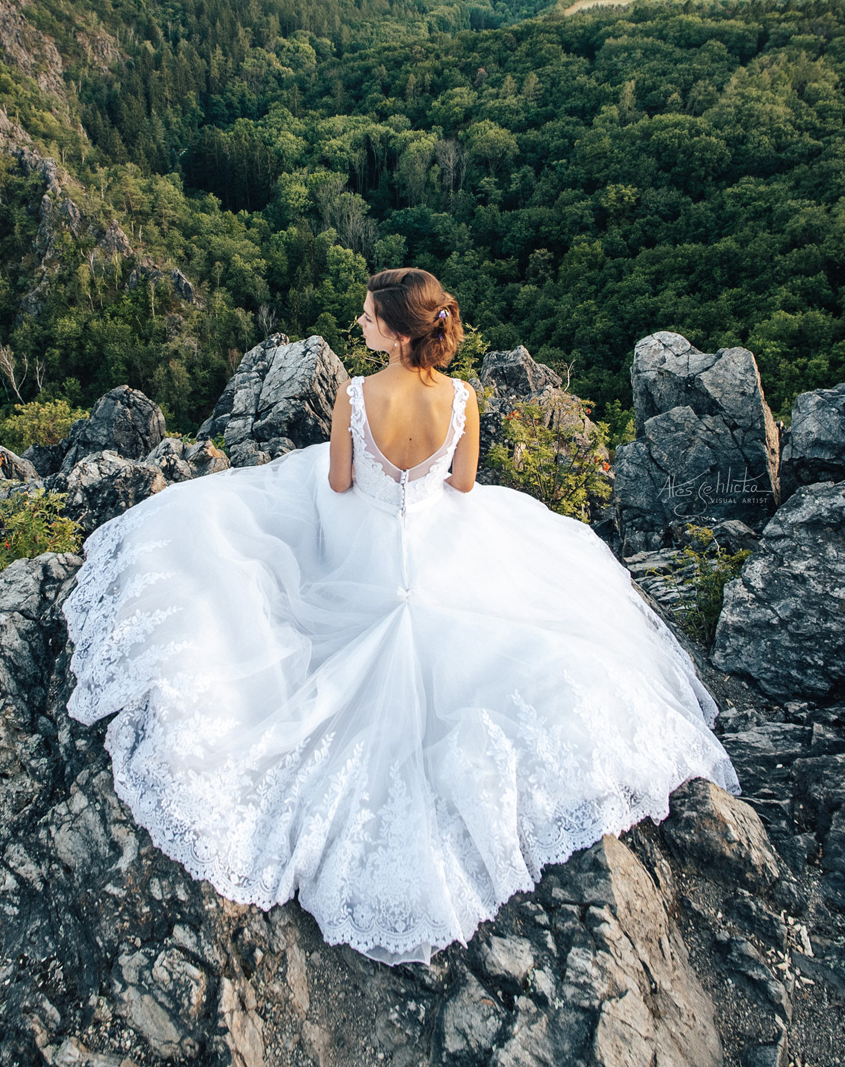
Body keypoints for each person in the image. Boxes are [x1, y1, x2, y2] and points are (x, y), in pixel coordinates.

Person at [65, 267, 738, 965]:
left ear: (393, 333)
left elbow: (338, 482)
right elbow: (465, 484)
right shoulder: (463, 398)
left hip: (362, 550)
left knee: (270, 526)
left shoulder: (355, 394)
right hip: (435, 543)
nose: (358, 323)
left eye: (366, 316)